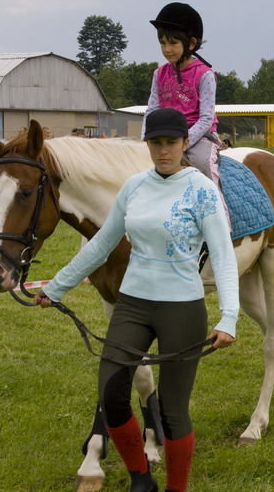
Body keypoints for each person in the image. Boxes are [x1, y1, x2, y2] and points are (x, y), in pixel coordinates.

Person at [34, 109, 239, 492]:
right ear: (148, 144)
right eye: (156, 143)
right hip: (133, 303)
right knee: (112, 394)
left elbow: (224, 256)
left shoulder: (201, 189)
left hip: (182, 308)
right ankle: (141, 479)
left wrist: (228, 316)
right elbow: (102, 244)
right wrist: (57, 286)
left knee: (174, 411)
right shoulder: (134, 187)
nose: (164, 151)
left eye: (171, 143)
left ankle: (177, 489)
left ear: (183, 145)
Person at [143, 2, 221, 184]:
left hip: (199, 138)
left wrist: (183, 142)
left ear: (191, 43)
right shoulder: (159, 73)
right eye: (162, 43)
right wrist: (144, 138)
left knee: (202, 163)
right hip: (164, 136)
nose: (166, 49)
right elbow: (152, 110)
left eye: (173, 43)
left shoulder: (204, 75)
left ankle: (217, 206)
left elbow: (206, 118)